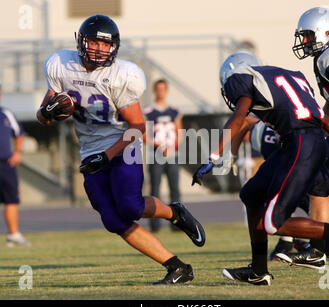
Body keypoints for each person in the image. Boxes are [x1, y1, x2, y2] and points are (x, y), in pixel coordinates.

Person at [36, 14, 205, 285]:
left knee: (130, 206)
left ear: (114, 47)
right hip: (90, 148)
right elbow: (44, 116)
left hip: (122, 144)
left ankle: (175, 213)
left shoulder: (121, 75)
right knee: (113, 221)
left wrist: (108, 155)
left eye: (106, 45)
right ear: (81, 42)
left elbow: (138, 126)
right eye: (94, 42)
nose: (100, 49)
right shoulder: (60, 65)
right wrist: (47, 111)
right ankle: (177, 267)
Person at [192, 52, 329, 286]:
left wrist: (214, 155)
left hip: (299, 144)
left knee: (273, 223)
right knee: (251, 194)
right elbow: (327, 122)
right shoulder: (291, 77)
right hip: (304, 142)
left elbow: (239, 118)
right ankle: (259, 271)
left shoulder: (241, 77)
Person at [281, 6, 329, 265]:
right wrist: (325, 126)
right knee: (319, 184)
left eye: (308, 35)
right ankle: (317, 251)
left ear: (326, 31)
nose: (304, 41)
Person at [231, 116, 329, 260]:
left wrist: (232, 153)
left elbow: (244, 121)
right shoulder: (267, 126)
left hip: (300, 176)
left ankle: (292, 241)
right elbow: (245, 122)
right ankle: (287, 242)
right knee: (270, 212)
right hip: (297, 178)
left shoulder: (269, 124)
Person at [143, 79, 183, 232]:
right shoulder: (149, 111)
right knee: (155, 190)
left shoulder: (174, 111)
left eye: (163, 89)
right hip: (156, 155)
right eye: (158, 89)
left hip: (172, 154)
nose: (160, 92)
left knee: (175, 190)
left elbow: (180, 132)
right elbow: (145, 134)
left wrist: (172, 146)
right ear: (154, 91)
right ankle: (155, 225)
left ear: (166, 91)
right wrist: (159, 145)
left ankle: (178, 223)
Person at [0, 86, 30, 247]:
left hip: (6, 164)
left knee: (11, 199)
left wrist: (17, 152)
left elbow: (19, 134)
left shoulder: (6, 113)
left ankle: (13, 235)